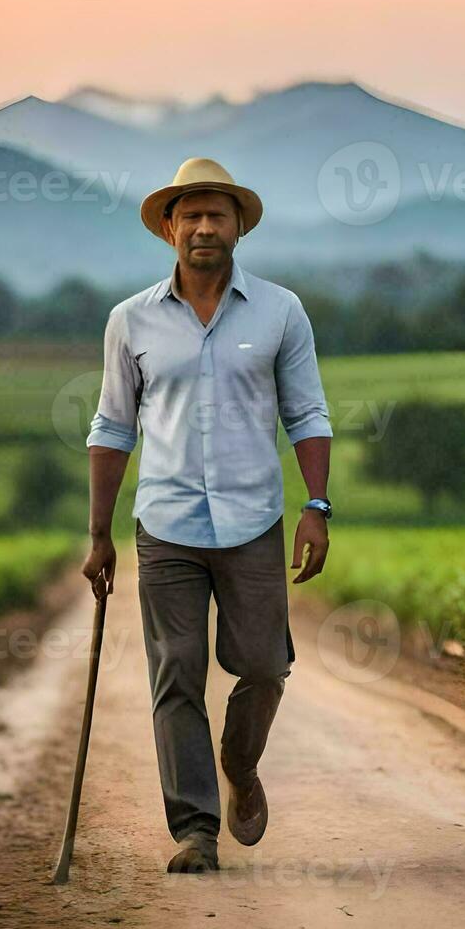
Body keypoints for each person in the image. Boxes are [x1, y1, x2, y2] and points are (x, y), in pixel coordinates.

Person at [81, 157, 334, 873]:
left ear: (237, 227)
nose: (201, 227)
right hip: (166, 529)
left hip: (254, 522)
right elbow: (111, 427)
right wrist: (99, 534)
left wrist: (315, 506)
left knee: (264, 666)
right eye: (188, 215)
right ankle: (195, 828)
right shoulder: (129, 321)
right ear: (168, 228)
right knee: (176, 673)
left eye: (215, 215)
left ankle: (240, 762)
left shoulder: (281, 311)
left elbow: (307, 413)